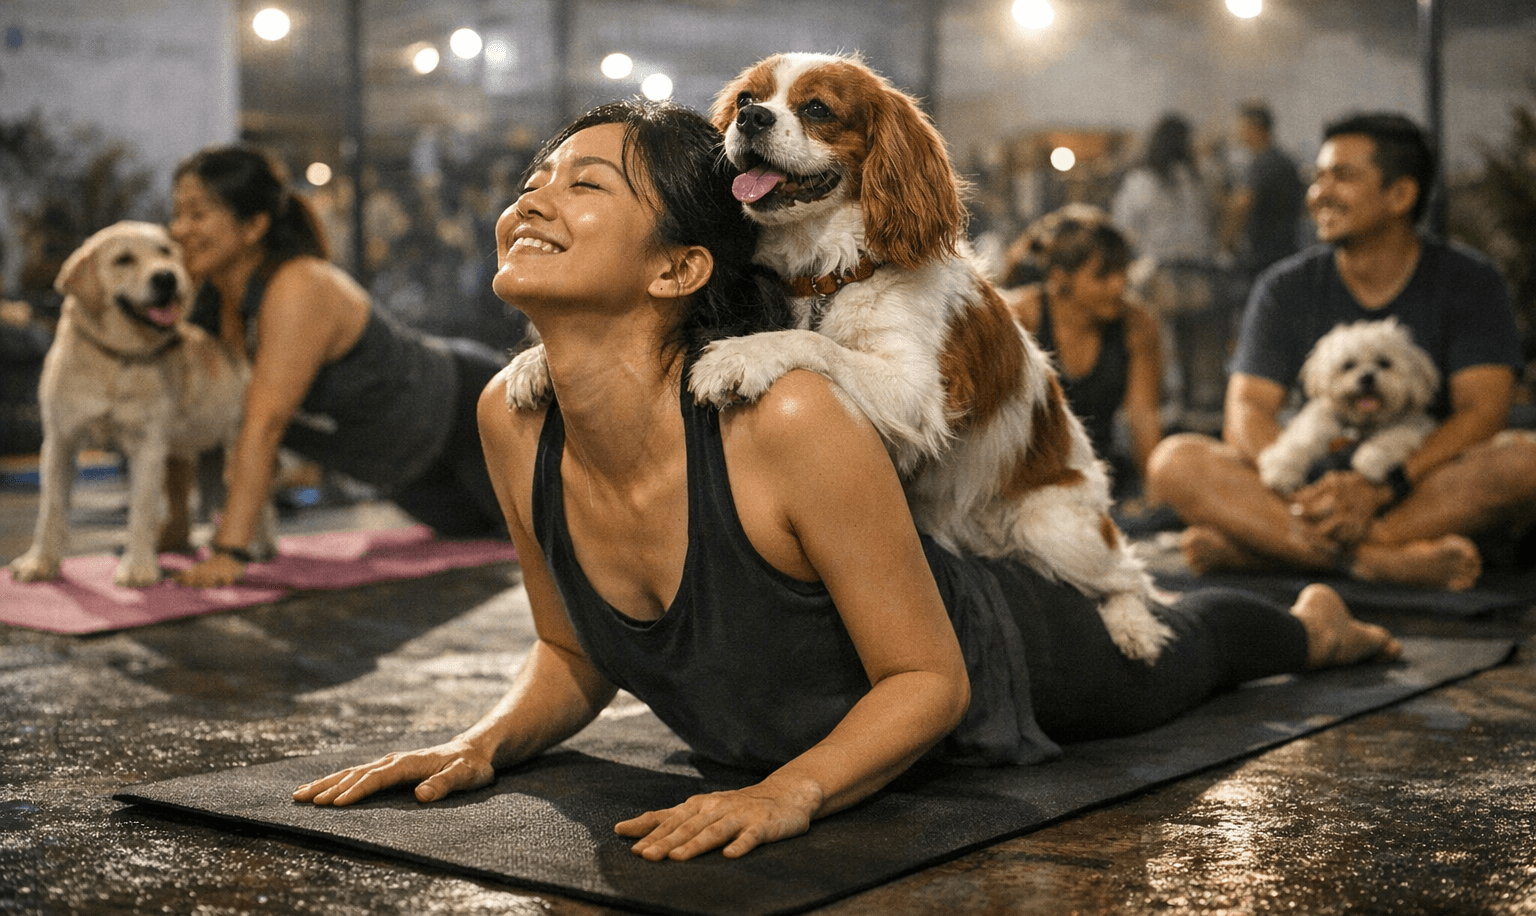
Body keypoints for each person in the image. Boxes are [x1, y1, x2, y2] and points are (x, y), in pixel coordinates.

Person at [291, 99, 1399, 863]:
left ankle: (1317, 621)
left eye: (582, 184)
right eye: (533, 181)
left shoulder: (788, 411)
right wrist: (479, 739)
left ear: (681, 268)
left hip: (1006, 654)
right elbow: (576, 652)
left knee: (1190, 646)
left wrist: (791, 791)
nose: (531, 200)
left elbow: (928, 680)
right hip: (787, 723)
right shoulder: (510, 415)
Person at [1147, 111, 1536, 590]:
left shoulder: (1470, 282)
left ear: (1400, 195)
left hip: (1422, 483)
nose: (1319, 193)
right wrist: (1315, 489)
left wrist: (1380, 485)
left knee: (1526, 464)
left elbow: (1483, 413)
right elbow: (1246, 411)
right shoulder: (1284, 288)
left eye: (1342, 176)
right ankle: (1375, 559)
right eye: (1318, 177)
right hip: (1310, 484)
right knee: (1174, 461)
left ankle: (1275, 550)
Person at [168, 145, 510, 587]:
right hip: (405, 471)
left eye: (197, 215)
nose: (179, 230)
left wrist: (230, 552)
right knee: (477, 538)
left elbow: (264, 423)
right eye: (176, 213)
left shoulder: (298, 285)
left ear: (253, 225)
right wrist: (172, 529)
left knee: (567, 544)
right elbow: (185, 420)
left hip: (470, 414)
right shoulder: (214, 301)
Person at [999, 205, 1162, 497]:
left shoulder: (1138, 325)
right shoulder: (1018, 319)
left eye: (1123, 271)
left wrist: (1156, 495)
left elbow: (1143, 416)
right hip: (1026, 477)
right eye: (1103, 275)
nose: (1120, 284)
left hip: (1101, 474)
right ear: (1061, 278)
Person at [1111, 113, 1227, 420]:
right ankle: (1200, 408)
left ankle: (1162, 409)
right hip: (1201, 272)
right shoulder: (1203, 176)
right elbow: (1217, 221)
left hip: (1158, 273)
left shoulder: (1140, 181)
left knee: (1160, 344)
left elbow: (1123, 227)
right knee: (1200, 345)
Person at [1224, 101, 1306, 281]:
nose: (1238, 133)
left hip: (1261, 255)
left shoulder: (1260, 164)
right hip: (1288, 248)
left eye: (1241, 127)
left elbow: (1241, 204)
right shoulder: (1287, 161)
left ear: (1254, 128)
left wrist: (1225, 243)